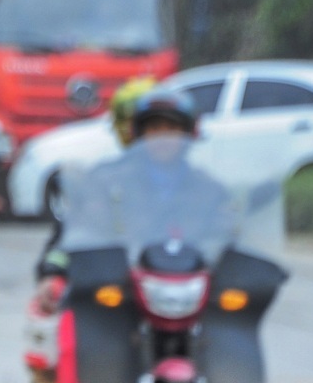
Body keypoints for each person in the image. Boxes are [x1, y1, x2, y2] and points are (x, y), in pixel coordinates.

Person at [24, 74, 159, 383]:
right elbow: (70, 233)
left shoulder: (193, 180)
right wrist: (53, 272)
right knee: (49, 306)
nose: (147, 132)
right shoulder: (102, 179)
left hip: (170, 283)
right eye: (136, 123)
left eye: (158, 123)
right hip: (113, 283)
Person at [59, 86, 240, 263]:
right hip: (122, 285)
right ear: (138, 133)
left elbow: (226, 238)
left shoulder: (208, 189)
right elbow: (80, 230)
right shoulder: (106, 180)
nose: (163, 137)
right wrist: (55, 272)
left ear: (189, 134)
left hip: (191, 285)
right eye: (154, 128)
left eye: (172, 128)